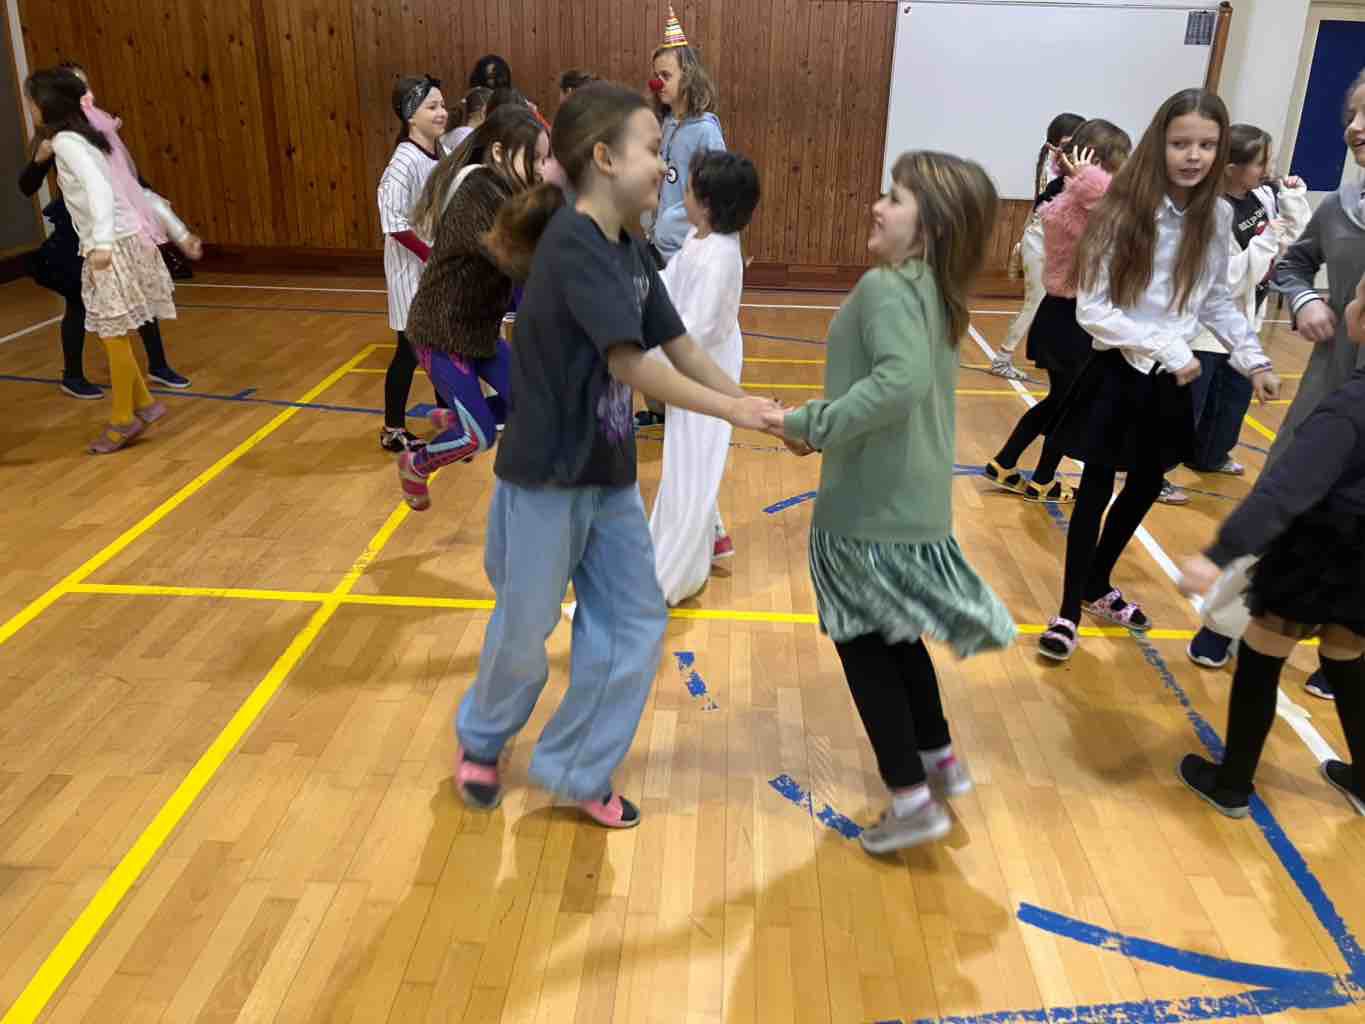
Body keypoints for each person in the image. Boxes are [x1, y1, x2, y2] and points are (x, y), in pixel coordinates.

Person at [451, 83, 780, 828]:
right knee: (525, 629)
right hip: (544, 479)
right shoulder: (573, 245)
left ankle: (578, 766)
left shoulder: (629, 247)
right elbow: (631, 365)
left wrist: (756, 407)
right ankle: (482, 738)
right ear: (604, 158)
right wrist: (735, 411)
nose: (665, 166)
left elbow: (680, 344)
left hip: (607, 478)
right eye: (653, 151)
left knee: (633, 623)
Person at [761, 150, 1016, 855]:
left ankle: (909, 799)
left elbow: (898, 384)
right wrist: (816, 428)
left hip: (869, 509)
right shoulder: (934, 289)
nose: (877, 206)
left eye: (894, 198)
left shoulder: (886, 288)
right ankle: (938, 759)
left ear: (930, 226)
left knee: (863, 646)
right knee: (897, 636)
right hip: (912, 502)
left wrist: (809, 425)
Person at [1036, 89, 1281, 662]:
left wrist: (1254, 359)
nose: (1193, 156)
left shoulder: (1217, 216)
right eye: (1180, 144)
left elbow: (1215, 299)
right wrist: (1165, 347)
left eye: (1207, 145)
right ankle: (1068, 610)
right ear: (1158, 145)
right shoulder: (1121, 210)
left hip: (1173, 378)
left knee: (1146, 485)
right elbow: (1094, 309)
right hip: (1121, 368)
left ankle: (1097, 582)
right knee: (1095, 486)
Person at [1185, 68, 1365, 696]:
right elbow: (1293, 264)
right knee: (1282, 502)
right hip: (1330, 392)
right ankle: (1226, 623)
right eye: (1352, 113)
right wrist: (1308, 297)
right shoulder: (1341, 208)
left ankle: (1342, 654)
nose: (1355, 128)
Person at [1176, 269, 1365, 819]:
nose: (1347, 302)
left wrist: (1218, 555)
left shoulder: (1348, 408)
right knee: (1345, 653)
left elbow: (1285, 490)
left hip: (1322, 547)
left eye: (1356, 296)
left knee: (1262, 655)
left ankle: (1231, 783)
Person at [24, 67, 196, 453]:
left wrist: (101, 242)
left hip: (112, 243)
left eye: (31, 101)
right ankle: (145, 404)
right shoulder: (85, 137)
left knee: (112, 335)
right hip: (122, 238)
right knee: (112, 331)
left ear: (46, 104)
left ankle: (123, 419)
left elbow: (101, 189)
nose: (30, 108)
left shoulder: (67, 141)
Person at [398, 107, 553, 510]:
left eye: (545, 158)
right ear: (499, 153)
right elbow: (520, 266)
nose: (542, 168)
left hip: (478, 332)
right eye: (535, 159)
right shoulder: (480, 194)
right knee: (478, 438)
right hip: (440, 333)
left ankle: (461, 415)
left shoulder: (508, 194)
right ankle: (417, 462)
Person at [1158, 125, 1311, 506]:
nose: (1267, 169)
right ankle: (1154, 473)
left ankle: (1209, 455)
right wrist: (1266, 242)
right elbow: (1225, 279)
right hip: (1205, 328)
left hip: (1245, 321)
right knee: (1188, 407)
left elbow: (1298, 236)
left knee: (1231, 400)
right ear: (1231, 168)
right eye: (1260, 162)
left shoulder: (1262, 195)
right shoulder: (1207, 211)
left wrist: (1293, 197)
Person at [984, 119, 1131, 503]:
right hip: (1072, 319)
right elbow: (1121, 220)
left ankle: (1010, 464)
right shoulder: (1085, 206)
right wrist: (1091, 181)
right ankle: (1039, 477)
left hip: (1063, 316)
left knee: (1062, 403)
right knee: (1068, 407)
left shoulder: (1071, 198)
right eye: (1118, 166)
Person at [649, 151, 761, 602]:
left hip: (707, 369)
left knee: (693, 463)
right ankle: (707, 538)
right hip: (689, 360)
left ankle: (675, 569)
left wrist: (650, 354)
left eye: (691, 189)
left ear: (709, 202)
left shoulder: (720, 256)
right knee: (686, 460)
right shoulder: (699, 239)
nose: (684, 195)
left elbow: (698, 331)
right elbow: (668, 283)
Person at [377, 75, 448, 453]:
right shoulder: (402, 163)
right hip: (411, 273)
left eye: (443, 105)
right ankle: (392, 429)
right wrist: (430, 256)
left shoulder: (441, 153)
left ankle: (449, 419)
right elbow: (394, 223)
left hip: (436, 271)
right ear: (410, 115)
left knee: (442, 346)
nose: (442, 113)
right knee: (409, 350)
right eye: (432, 107)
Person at [993, 111, 1085, 381]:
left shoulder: (1074, 176)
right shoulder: (1058, 175)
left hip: (1049, 246)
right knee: (1035, 303)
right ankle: (1002, 359)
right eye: (1067, 145)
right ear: (1054, 147)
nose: (1073, 151)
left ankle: (1061, 358)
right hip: (1040, 246)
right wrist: (1023, 243)